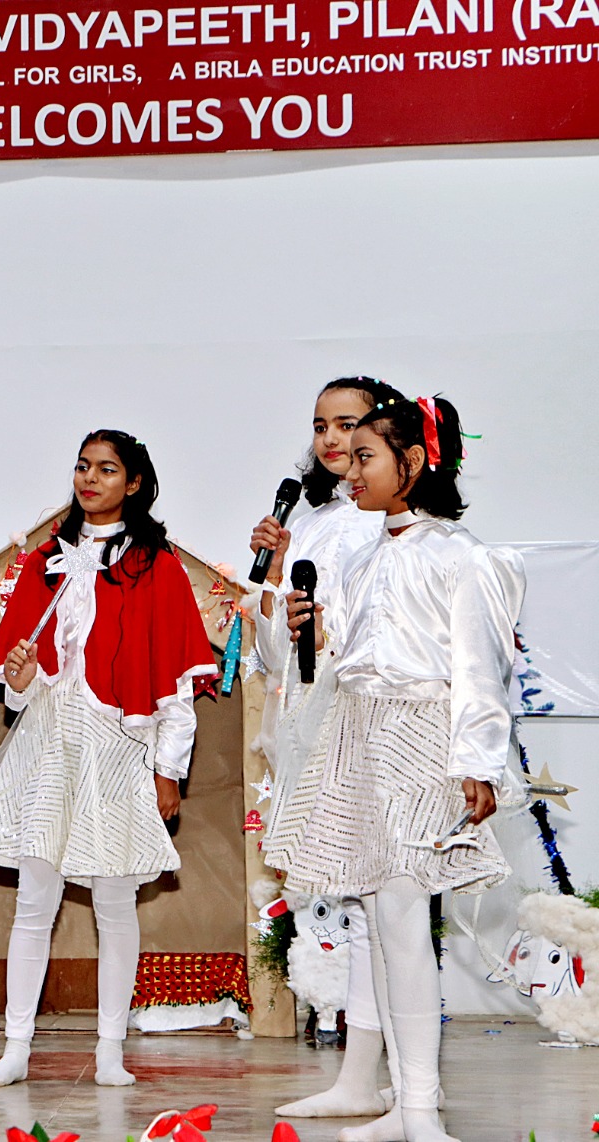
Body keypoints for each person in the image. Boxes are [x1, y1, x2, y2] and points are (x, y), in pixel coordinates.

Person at [281, 395, 521, 1142]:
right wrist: (306, 629)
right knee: (384, 923)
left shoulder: (463, 556)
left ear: (413, 462)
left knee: (406, 919)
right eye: (348, 458)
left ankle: (420, 1108)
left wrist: (477, 761)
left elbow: (480, 668)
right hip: (361, 736)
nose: (350, 471)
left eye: (366, 457)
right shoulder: (361, 555)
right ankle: (406, 1103)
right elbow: (344, 654)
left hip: (424, 739)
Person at [0, 430, 218, 1089]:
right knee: (34, 900)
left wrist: (168, 770)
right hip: (51, 743)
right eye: (82, 466)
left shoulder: (156, 566)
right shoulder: (45, 561)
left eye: (106, 469)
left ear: (133, 483)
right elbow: (21, 690)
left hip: (118, 747)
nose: (90, 478)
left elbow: (174, 684)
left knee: (114, 902)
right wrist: (20, 672)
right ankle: (15, 1048)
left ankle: (110, 1050)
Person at [245, 376, 407, 1119]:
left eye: (348, 425)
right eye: (320, 426)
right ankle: (365, 1076)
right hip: (319, 721)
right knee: (361, 904)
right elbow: (280, 659)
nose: (332, 440)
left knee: (388, 904)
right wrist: (277, 580)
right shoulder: (309, 524)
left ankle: (398, 1078)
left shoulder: (391, 524)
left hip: (377, 722)